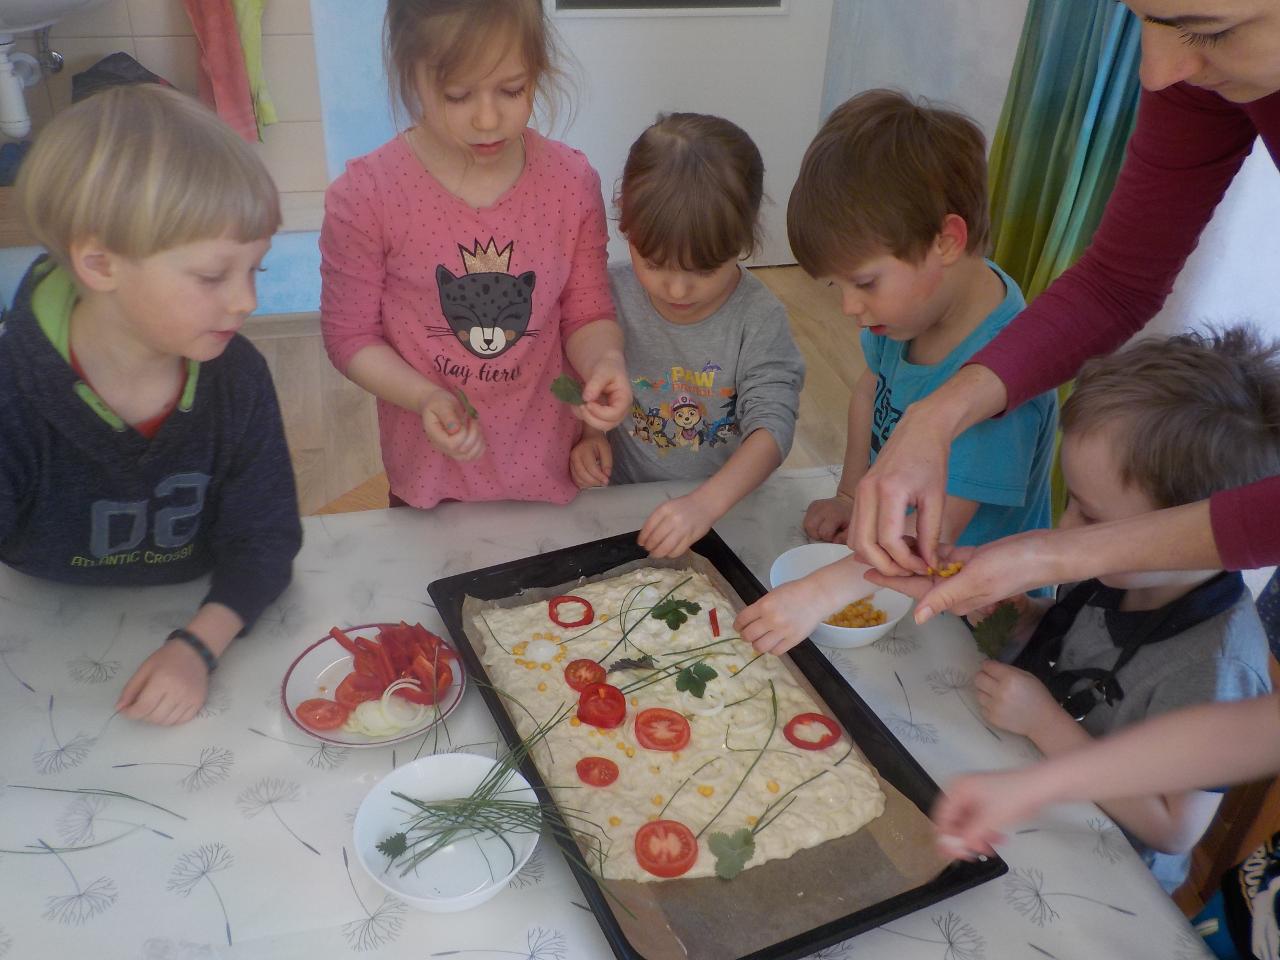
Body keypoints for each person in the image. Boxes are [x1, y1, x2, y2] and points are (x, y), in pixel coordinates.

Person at [848, 1, 1280, 624]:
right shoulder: (1191, 72)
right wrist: (937, 414)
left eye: (1208, 31)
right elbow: (1117, 283)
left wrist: (1056, 554)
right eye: (1140, 19)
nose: (1155, 73)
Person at [0, 84, 303, 725]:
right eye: (212, 276)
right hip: (36, 615)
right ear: (100, 264)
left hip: (199, 602)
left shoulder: (237, 377)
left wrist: (198, 645)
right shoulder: (12, 389)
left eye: (256, 269)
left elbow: (265, 539)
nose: (246, 301)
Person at [938, 329, 1276, 891]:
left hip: (1102, 866)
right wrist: (1032, 613)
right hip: (1020, 781)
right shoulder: (1119, 572)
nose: (1065, 530)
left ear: (1182, 531)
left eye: (1091, 519)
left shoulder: (1217, 667)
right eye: (1070, 501)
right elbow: (1084, 632)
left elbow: (1174, 829)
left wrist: (1044, 723)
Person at [736, 90, 1056, 655]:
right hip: (893, 568)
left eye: (864, 283)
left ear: (946, 242)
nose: (848, 308)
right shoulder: (908, 315)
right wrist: (849, 497)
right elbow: (870, 393)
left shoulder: (1002, 381)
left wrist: (817, 594)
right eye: (838, 286)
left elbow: (930, 539)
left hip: (982, 610)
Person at [320, 0, 631, 509]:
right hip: (432, 481)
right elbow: (349, 336)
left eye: (513, 89)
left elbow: (587, 313)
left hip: (551, 470)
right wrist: (424, 396)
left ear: (538, 70)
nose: (488, 119)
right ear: (409, 76)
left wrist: (606, 361)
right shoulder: (366, 196)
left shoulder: (572, 183)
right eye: (457, 95)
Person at [568, 113, 805, 557]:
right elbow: (585, 379)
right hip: (623, 501)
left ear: (743, 238)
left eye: (702, 270)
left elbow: (773, 428)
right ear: (624, 223)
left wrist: (705, 504)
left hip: (724, 507)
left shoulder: (758, 318)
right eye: (654, 264)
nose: (676, 290)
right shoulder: (607, 294)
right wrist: (591, 435)